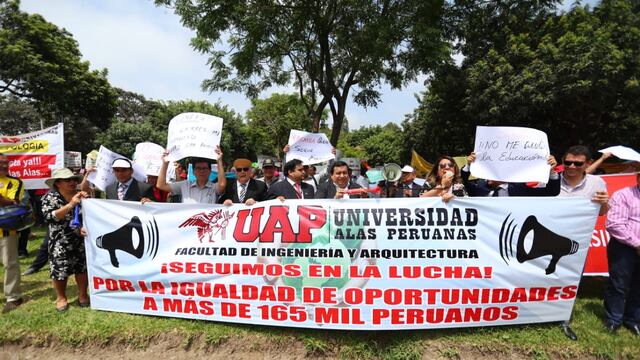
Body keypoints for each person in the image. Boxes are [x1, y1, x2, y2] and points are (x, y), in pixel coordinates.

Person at [41, 168, 90, 312]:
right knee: (59, 269)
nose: (72, 182)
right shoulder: (49, 198)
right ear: (58, 183)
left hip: (79, 238)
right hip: (59, 239)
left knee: (82, 267)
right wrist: (70, 205)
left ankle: (82, 294)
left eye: (74, 180)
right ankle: (61, 297)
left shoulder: (81, 196)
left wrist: (83, 225)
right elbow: (50, 217)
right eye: (67, 180)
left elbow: (89, 216)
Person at [602, 170, 639, 336]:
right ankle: (613, 320)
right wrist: (637, 244)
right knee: (619, 285)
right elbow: (615, 225)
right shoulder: (624, 195)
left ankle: (632, 319)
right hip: (624, 248)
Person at [461, 153, 560, 197]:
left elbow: (552, 192)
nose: (487, 175)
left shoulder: (521, 189)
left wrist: (551, 172)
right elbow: (463, 181)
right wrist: (469, 165)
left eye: (492, 171)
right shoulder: (480, 187)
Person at [157, 145, 227, 204]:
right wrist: (165, 164)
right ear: (193, 171)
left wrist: (219, 161)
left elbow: (222, 185)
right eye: (198, 168)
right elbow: (161, 185)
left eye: (204, 168)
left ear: (210, 171)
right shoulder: (184, 185)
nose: (201, 171)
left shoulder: (214, 188)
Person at [0, 153, 24, 313]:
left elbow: (13, 203)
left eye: (6, 163)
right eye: (0, 163)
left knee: (10, 263)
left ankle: (13, 297)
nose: (4, 166)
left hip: (7, 230)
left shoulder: (15, 182)